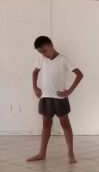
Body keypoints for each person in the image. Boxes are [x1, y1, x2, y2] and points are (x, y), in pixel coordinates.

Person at [27, 36, 83, 164]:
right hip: (45, 97)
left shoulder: (63, 59)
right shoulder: (42, 59)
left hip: (59, 97)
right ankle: (42, 153)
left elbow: (79, 74)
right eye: (41, 52)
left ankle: (70, 153)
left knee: (65, 124)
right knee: (46, 125)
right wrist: (35, 86)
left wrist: (69, 91)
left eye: (45, 51)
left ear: (51, 45)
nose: (43, 54)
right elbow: (35, 72)